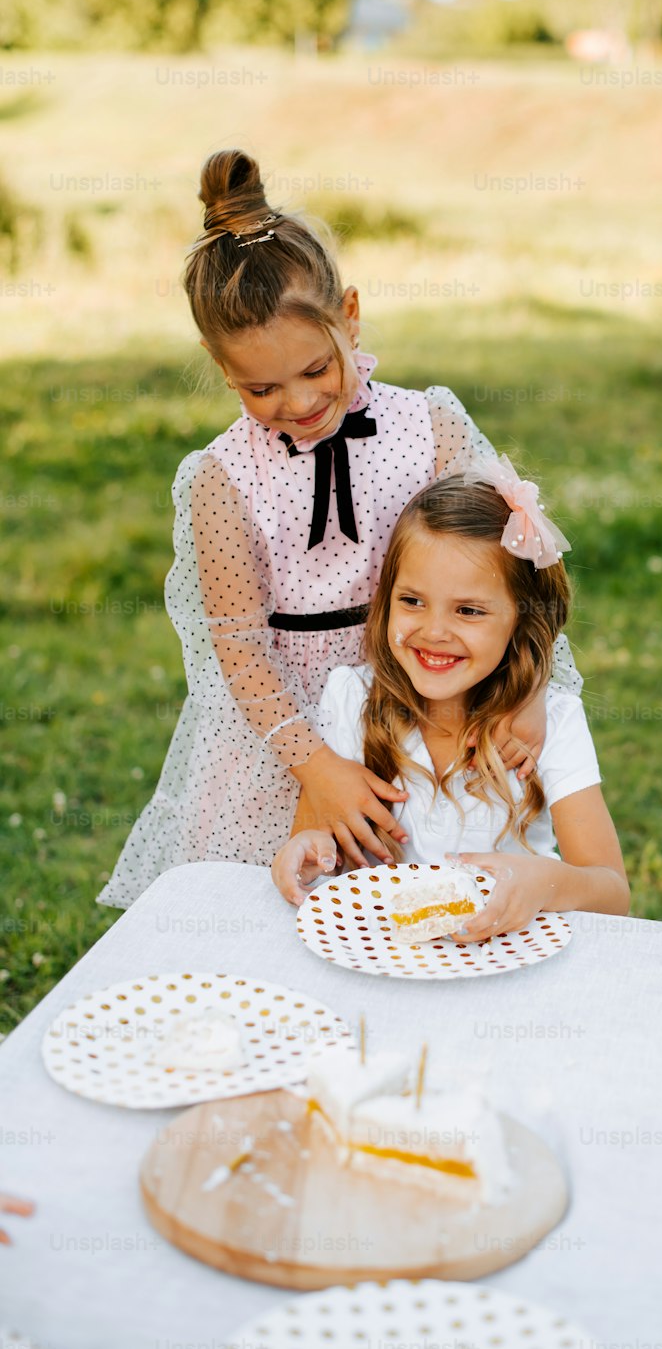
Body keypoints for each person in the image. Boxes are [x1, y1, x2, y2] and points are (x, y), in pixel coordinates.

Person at [97, 150, 582, 910]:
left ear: (349, 316)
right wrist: (317, 766)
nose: (298, 402)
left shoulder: (429, 426)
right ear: (218, 366)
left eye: (318, 368)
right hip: (283, 735)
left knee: (418, 904)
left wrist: (530, 690)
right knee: (276, 911)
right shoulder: (223, 481)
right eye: (262, 387)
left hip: (421, 695)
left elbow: (516, 558)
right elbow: (240, 652)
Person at [271, 467, 629, 939]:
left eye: (468, 610)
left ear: (522, 621)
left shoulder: (554, 724)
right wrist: (304, 851)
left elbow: (613, 894)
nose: (434, 631)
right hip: (386, 958)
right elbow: (317, 834)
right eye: (413, 601)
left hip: (508, 962)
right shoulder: (350, 697)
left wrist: (542, 884)